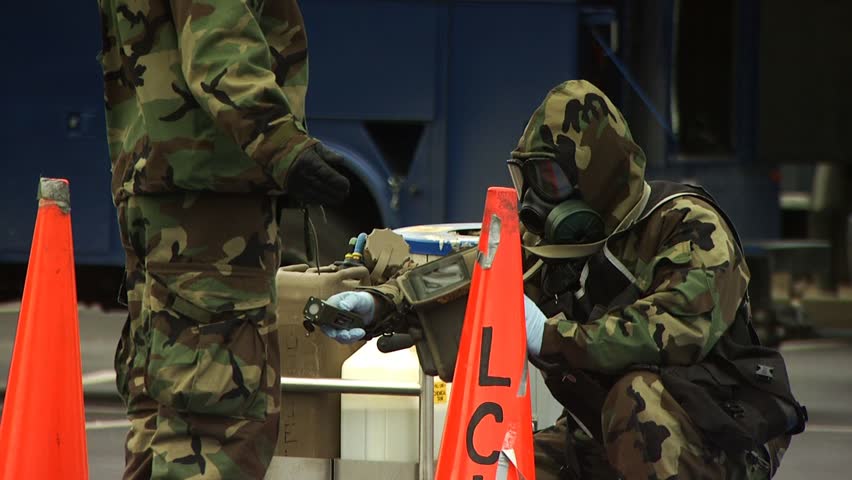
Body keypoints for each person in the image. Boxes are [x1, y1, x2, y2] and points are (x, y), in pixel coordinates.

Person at [320, 80, 807, 479]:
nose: (535, 201)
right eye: (527, 179)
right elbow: (471, 276)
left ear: (599, 176)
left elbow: (670, 331)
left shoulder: (688, 226)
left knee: (636, 398)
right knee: (508, 465)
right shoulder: (558, 247)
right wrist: (383, 303)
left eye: (550, 181)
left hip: (719, 433)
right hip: (603, 435)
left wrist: (547, 336)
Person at [96, 1, 350, 478]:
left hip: (167, 195)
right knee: (216, 428)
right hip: (208, 214)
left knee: (164, 416)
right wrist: (285, 149)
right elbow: (218, 48)